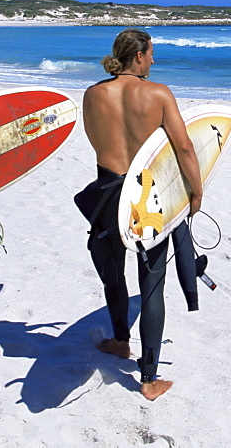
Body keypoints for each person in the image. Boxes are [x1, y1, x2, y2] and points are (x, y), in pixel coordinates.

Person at [76, 29, 203, 401]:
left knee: (113, 272)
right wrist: (195, 192)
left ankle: (120, 341)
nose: (153, 61)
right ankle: (148, 380)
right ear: (139, 56)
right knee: (151, 282)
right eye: (150, 54)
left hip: (106, 192)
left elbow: (95, 141)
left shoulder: (93, 94)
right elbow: (183, 147)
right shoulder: (158, 94)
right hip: (148, 196)